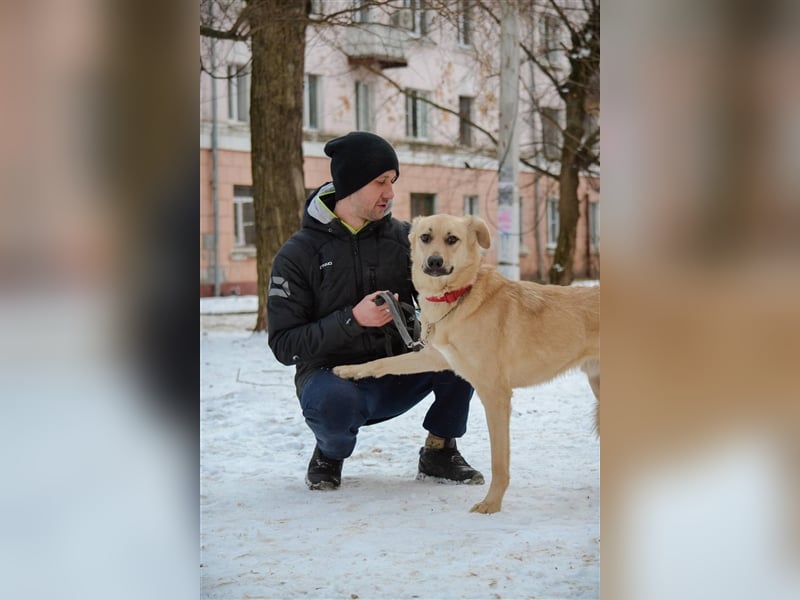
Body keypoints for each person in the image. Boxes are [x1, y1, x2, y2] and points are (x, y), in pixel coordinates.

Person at [267, 131, 484, 490]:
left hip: (400, 367)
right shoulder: (298, 255)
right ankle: (329, 451)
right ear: (350, 184)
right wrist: (353, 320)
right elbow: (284, 344)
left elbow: (448, 298)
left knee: (463, 349)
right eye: (380, 181)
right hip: (333, 378)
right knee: (332, 404)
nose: (390, 192)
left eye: (393, 181)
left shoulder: (405, 239)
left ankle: (440, 449)